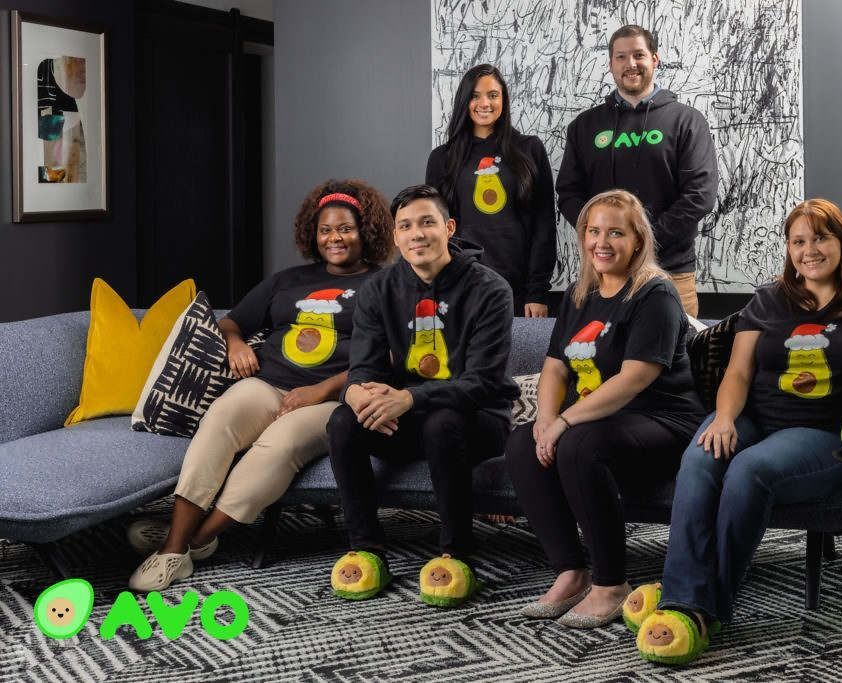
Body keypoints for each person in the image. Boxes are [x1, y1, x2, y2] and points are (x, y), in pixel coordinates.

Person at [641, 198, 842, 665]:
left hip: (821, 434)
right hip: (754, 418)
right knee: (700, 457)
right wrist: (725, 419)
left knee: (751, 470)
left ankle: (701, 609)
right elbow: (737, 371)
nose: (809, 250)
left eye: (820, 238)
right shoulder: (770, 298)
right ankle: (682, 600)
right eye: (798, 241)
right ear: (788, 249)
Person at [127, 178, 395, 592]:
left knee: (280, 445)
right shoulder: (287, 280)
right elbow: (233, 321)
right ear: (313, 233)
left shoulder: (385, 285)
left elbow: (390, 355)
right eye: (325, 229)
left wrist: (320, 391)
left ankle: (197, 539)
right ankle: (174, 548)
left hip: (335, 397)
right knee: (220, 419)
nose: (335, 238)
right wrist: (235, 344)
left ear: (367, 232)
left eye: (345, 228)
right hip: (268, 384)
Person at [505, 189, 706, 628]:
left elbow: (635, 378)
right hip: (603, 419)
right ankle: (571, 572)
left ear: (637, 240)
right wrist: (543, 421)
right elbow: (555, 367)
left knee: (578, 444)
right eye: (594, 231)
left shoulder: (654, 294)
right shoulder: (581, 295)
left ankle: (611, 585)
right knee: (522, 444)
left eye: (616, 232)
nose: (603, 241)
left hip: (663, 418)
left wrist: (564, 421)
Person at [327, 184, 519, 605]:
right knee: (342, 421)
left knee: (443, 420)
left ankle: (456, 552)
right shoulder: (378, 289)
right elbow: (363, 367)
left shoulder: (491, 289)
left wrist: (408, 398)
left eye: (427, 222)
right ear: (396, 237)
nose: (417, 234)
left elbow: (482, 382)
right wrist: (357, 393)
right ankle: (367, 548)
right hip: (407, 417)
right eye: (406, 226)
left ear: (448, 228)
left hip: (479, 419)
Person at [556, 24, 718, 318]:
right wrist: (608, 240)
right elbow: (568, 194)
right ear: (610, 64)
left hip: (671, 272)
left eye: (638, 55)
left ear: (654, 59)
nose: (630, 64)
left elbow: (700, 195)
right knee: (598, 359)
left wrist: (641, 241)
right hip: (602, 276)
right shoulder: (584, 126)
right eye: (621, 57)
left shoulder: (687, 121)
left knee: (675, 361)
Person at [426, 63, 556, 317]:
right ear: (464, 101)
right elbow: (436, 229)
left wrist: (537, 292)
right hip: (462, 286)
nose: (484, 103)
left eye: (493, 95)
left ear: (504, 100)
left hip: (520, 290)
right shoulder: (442, 158)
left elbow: (544, 225)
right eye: (475, 96)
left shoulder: (529, 149)